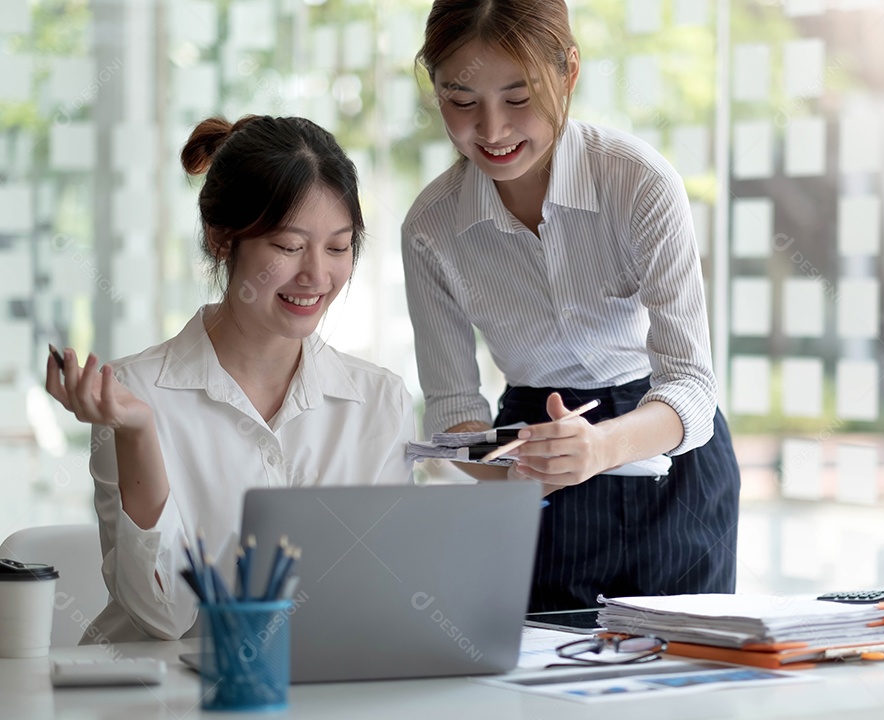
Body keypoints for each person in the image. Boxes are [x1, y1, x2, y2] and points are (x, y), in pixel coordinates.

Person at [403, 0, 740, 612]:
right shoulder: (432, 227)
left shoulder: (638, 182)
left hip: (667, 445)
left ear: (568, 72)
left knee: (684, 684)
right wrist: (516, 477)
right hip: (529, 451)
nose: (493, 129)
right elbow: (454, 414)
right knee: (541, 686)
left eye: (518, 95)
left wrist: (601, 447)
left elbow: (691, 384)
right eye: (461, 100)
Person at [45, 115, 414, 643]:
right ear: (222, 239)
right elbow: (162, 617)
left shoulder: (380, 403)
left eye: (338, 247)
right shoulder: (134, 395)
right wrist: (137, 433)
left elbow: (382, 597)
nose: (316, 275)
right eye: (288, 247)